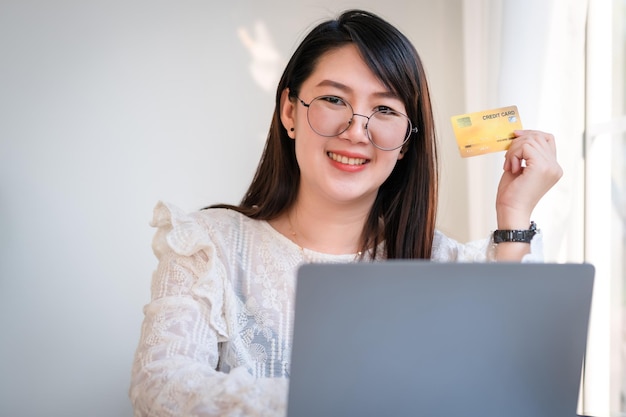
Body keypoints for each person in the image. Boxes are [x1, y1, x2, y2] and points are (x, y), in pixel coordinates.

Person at [129, 9, 562, 417]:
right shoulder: (207, 246)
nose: (356, 130)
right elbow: (160, 389)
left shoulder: (441, 264)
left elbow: (513, 385)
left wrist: (514, 211)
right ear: (289, 112)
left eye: (385, 109)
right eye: (334, 99)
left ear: (406, 141)